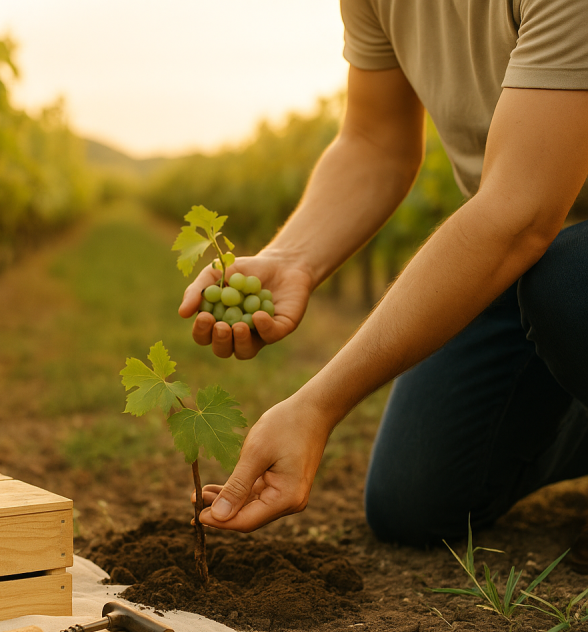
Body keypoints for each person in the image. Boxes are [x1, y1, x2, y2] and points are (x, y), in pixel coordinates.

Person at [178, 0, 588, 552]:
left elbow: (519, 217)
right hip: (530, 261)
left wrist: (317, 405)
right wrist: (293, 256)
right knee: (416, 498)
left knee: (567, 285)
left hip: (556, 256)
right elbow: (375, 141)